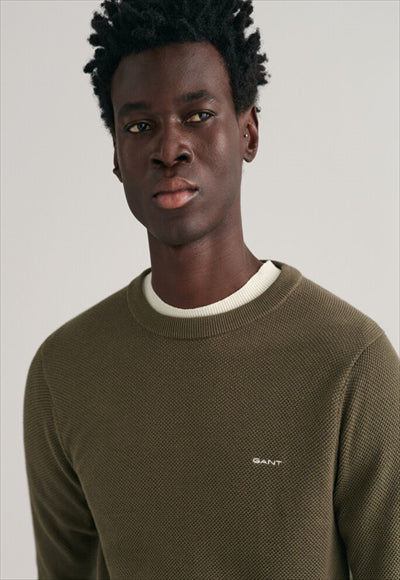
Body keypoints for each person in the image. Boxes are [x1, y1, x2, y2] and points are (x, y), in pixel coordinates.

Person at [23, 0, 399, 578]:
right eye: (139, 126)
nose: (169, 148)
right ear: (117, 157)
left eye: (197, 115)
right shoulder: (64, 373)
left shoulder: (351, 362)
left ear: (248, 132)